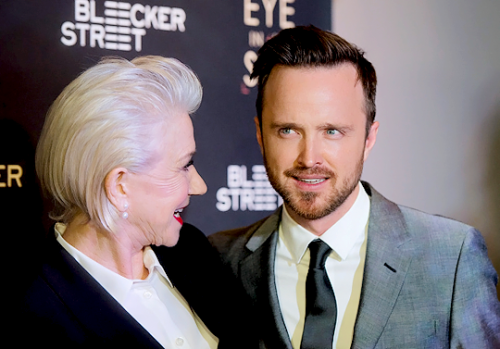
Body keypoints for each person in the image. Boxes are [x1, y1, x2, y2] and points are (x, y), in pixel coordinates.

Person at [208, 26, 500, 348]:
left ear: (369, 138)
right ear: (261, 135)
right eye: (288, 130)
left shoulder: (452, 257)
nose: (310, 158)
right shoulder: (218, 259)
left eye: (332, 131)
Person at [14, 56, 255, 348]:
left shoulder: (192, 251)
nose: (200, 186)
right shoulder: (32, 314)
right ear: (120, 186)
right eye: (184, 165)